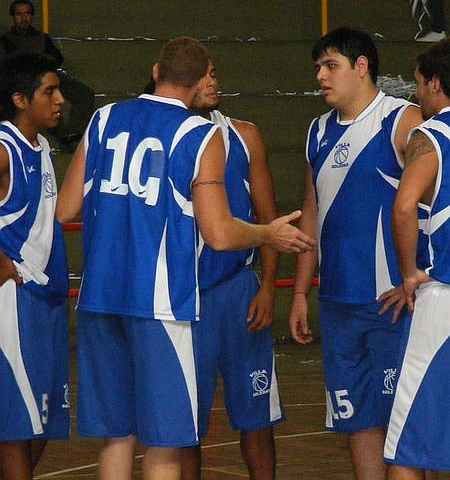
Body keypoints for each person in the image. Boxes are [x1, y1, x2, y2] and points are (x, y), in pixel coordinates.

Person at [56, 37, 315, 480]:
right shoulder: (201, 135)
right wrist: (267, 233)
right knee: (164, 446)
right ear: (198, 85)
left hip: (99, 299)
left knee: (118, 439)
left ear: (156, 71)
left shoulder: (104, 118)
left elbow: (64, 210)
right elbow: (219, 234)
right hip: (158, 304)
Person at [288, 27, 423, 479]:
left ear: (361, 66)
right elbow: (311, 213)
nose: (321, 77)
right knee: (357, 420)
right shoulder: (317, 131)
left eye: (331, 66)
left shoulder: (401, 120)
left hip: (392, 303)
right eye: (317, 68)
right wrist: (301, 293)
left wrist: (420, 274)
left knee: (404, 429)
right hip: (337, 304)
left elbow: (435, 197)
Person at [180, 62, 283, 480]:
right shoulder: (167, 137)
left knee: (257, 416)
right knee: (185, 426)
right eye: (201, 75)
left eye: (214, 73)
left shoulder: (244, 134)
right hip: (185, 295)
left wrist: (268, 288)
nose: (212, 82)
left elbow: (269, 218)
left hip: (240, 289)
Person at [0, 50, 69, 479]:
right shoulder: (4, 147)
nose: (60, 99)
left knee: (42, 423)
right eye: (49, 91)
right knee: (15, 429)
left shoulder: (41, 146)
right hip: (14, 301)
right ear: (20, 99)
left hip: (46, 297)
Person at [384, 38, 450, 479]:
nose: (416, 92)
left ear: (436, 84)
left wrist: (409, 272)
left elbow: (404, 206)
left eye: (419, 82)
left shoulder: (431, 135)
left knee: (408, 445)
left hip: (443, 299)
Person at [0, 0, 95, 148]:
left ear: (32, 16)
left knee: (84, 93)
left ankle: (74, 135)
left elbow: (57, 58)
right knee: (44, 98)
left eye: (27, 14)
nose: (24, 18)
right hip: (23, 81)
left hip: (49, 75)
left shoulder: (42, 38)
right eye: (19, 14)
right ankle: (63, 136)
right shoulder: (5, 40)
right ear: (13, 17)